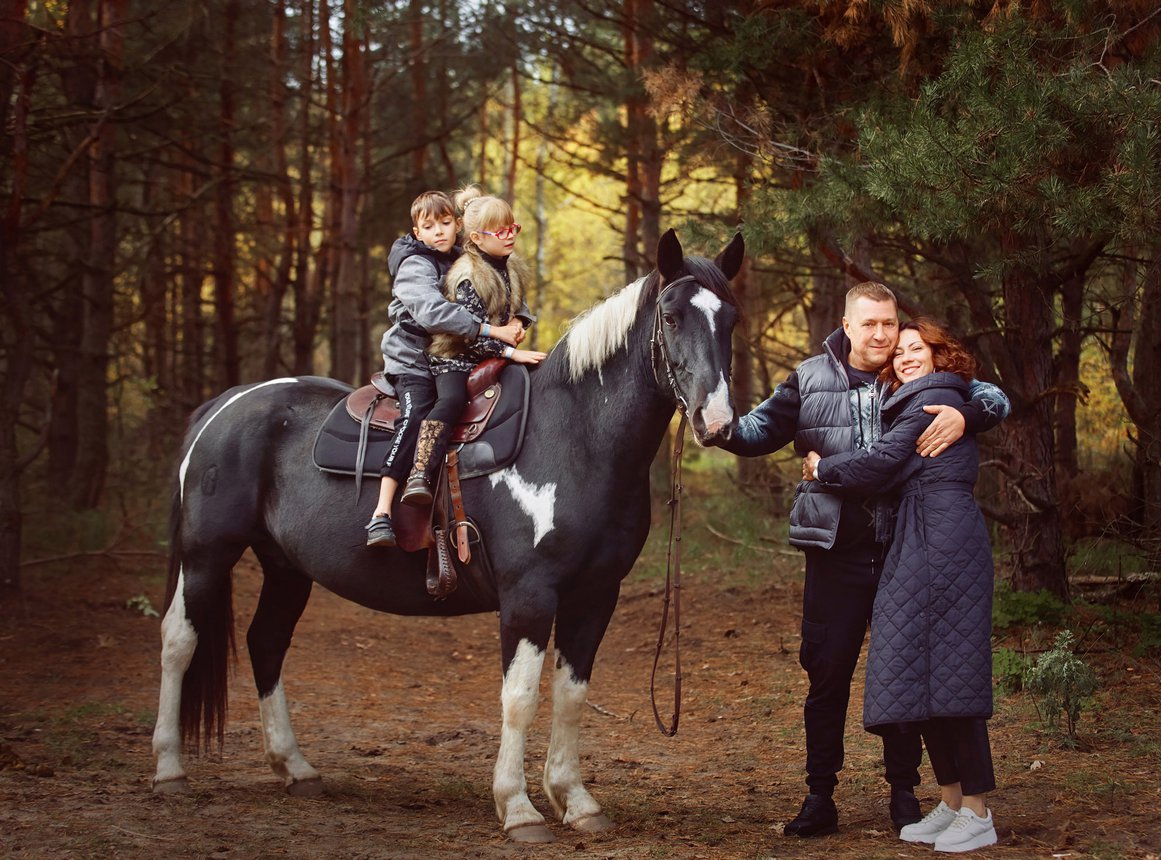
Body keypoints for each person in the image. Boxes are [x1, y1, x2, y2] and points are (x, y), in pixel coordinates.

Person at [716, 282, 1009, 838]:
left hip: (906, 547)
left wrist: (966, 416)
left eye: (889, 324)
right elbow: (757, 430)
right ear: (846, 325)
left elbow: (995, 398)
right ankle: (819, 795)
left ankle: (906, 794)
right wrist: (716, 422)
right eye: (869, 324)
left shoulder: (914, 373)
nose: (882, 335)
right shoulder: (809, 378)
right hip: (836, 553)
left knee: (906, 669)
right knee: (826, 678)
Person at [802, 318, 999, 853]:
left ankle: (978, 811)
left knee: (953, 675)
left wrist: (823, 468)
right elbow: (890, 468)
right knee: (924, 672)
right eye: (902, 351)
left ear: (940, 356)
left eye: (919, 347)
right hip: (919, 539)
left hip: (945, 539)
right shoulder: (915, 400)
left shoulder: (934, 398)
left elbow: (881, 464)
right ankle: (953, 799)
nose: (908, 355)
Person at [364, 190, 525, 547]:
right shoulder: (414, 266)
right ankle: (381, 512)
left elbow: (501, 287)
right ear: (417, 232)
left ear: (458, 225)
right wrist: (489, 330)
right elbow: (431, 312)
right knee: (416, 413)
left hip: (455, 355)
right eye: (429, 226)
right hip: (414, 359)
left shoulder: (463, 259)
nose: (439, 231)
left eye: (446, 223)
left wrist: (516, 320)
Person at [399, 186, 546, 507]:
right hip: (453, 355)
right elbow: (470, 334)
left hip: (486, 352)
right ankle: (419, 471)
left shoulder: (508, 264)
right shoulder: (468, 275)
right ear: (477, 238)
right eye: (501, 231)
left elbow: (515, 304)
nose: (510, 236)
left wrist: (520, 322)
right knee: (451, 399)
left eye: (513, 228)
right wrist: (510, 350)